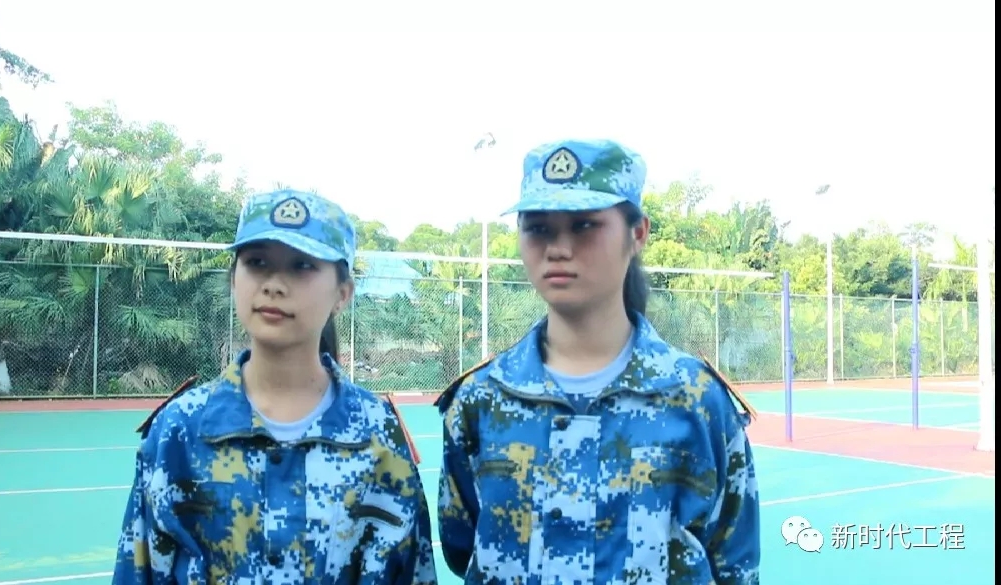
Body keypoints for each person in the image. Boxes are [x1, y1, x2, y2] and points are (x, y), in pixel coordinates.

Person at [435, 140, 761, 584]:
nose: (558, 249)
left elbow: (734, 563)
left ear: (638, 233)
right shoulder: (480, 401)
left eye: (584, 225)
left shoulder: (696, 399)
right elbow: (462, 547)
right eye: (538, 228)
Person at [112, 189, 437, 585]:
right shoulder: (179, 431)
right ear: (234, 279)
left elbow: (412, 572)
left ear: (342, 294)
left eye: (302, 265)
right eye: (257, 262)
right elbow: (138, 572)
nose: (274, 284)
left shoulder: (378, 435)